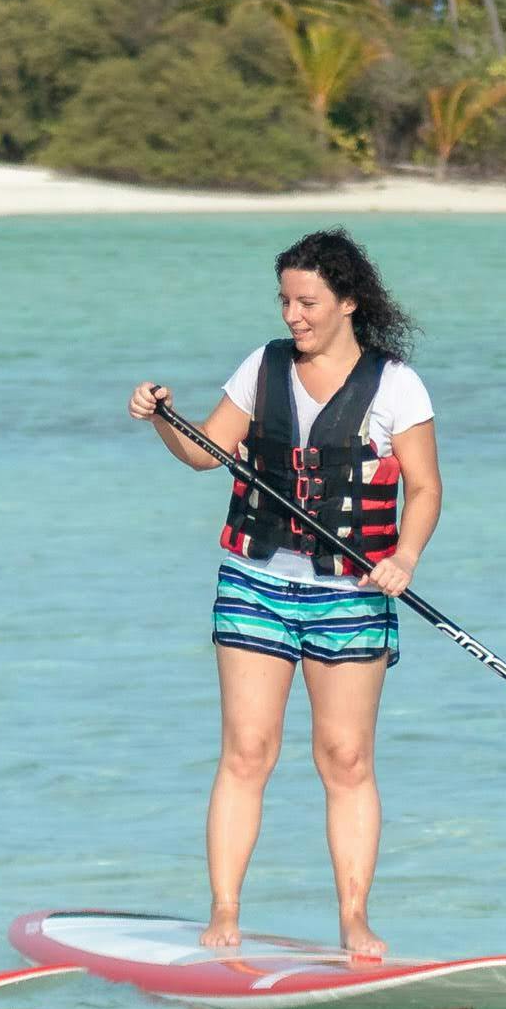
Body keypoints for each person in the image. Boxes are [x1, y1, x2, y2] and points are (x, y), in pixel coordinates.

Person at [126, 229, 440, 962]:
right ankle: (225, 911)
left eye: (308, 302)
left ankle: (355, 919)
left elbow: (424, 489)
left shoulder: (396, 385)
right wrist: (162, 422)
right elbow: (205, 455)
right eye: (285, 301)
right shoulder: (262, 368)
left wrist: (406, 556)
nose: (293, 315)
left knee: (346, 757)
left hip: (352, 590)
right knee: (248, 750)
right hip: (256, 582)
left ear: (348, 302)